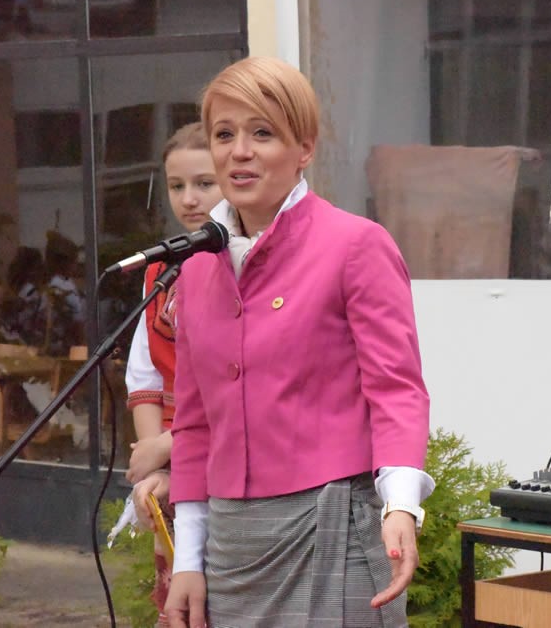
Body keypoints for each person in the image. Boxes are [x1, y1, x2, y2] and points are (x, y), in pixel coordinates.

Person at [164, 56, 433, 628]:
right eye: (224, 135)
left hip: (335, 525)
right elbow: (193, 424)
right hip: (230, 546)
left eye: (262, 133)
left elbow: (397, 391)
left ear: (304, 148)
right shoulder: (194, 268)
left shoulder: (356, 245)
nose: (240, 151)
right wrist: (188, 559)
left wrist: (401, 506)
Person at [125, 121, 224, 626]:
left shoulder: (244, 265)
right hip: (176, 462)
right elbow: (144, 376)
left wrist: (168, 447)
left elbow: (240, 382)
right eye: (176, 185)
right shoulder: (160, 270)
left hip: (226, 460)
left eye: (204, 183)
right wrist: (152, 467)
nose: (189, 199)